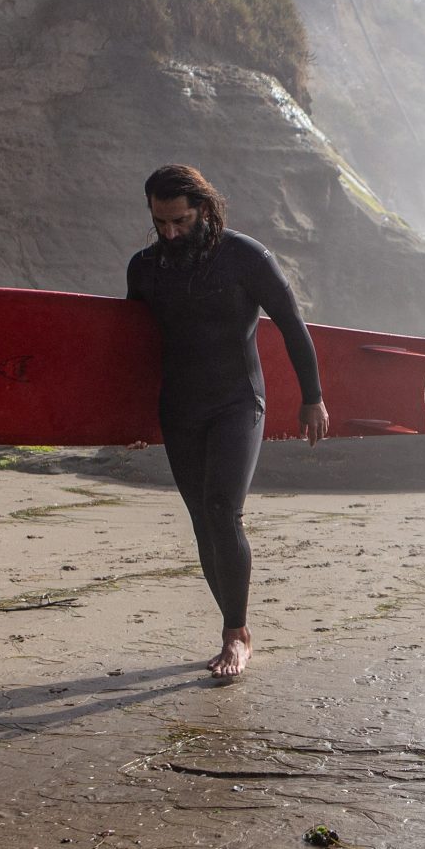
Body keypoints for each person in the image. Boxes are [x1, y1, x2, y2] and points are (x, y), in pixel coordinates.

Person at [125, 165, 328, 679]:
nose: (170, 233)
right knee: (201, 519)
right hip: (180, 406)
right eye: (161, 222)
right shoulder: (144, 269)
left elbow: (291, 324)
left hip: (238, 402)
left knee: (222, 510)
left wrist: (313, 398)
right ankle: (231, 621)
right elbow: (132, 350)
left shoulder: (245, 257)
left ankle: (236, 635)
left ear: (205, 210)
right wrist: (122, 418)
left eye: (181, 221)